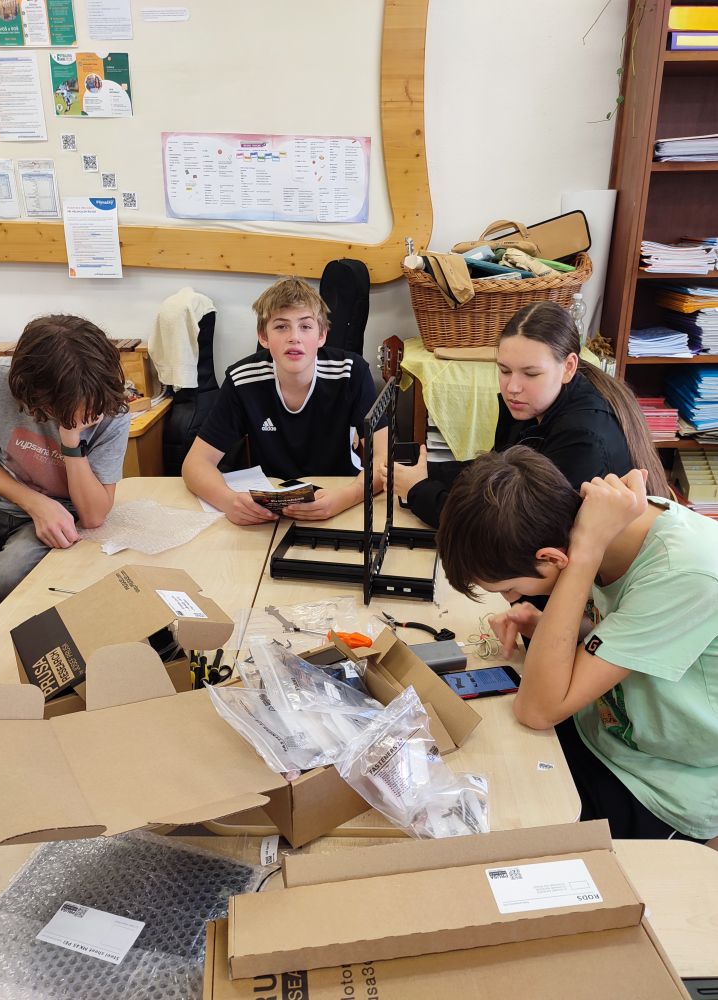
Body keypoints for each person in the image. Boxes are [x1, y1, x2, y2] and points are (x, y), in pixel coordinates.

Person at [437, 445, 718, 842]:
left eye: (509, 588)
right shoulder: (602, 529)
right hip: (601, 731)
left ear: (553, 558)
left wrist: (585, 555)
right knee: (472, 775)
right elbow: (628, 633)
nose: (511, 598)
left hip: (662, 782)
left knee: (505, 834)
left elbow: (538, 711)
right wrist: (554, 626)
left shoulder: (678, 572)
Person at [384, 301, 669, 528]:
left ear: (569, 367)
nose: (513, 387)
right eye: (504, 370)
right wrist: (426, 471)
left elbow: (509, 530)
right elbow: (495, 472)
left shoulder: (583, 438)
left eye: (531, 374)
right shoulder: (535, 404)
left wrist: (419, 491)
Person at [182, 276, 387, 525]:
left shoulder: (352, 372)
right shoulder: (241, 379)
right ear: (263, 336)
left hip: (340, 497)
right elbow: (195, 464)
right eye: (281, 327)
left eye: (306, 326)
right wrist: (228, 501)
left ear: (322, 335)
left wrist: (346, 497)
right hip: (269, 512)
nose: (294, 337)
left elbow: (385, 460)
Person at [0, 315, 130, 608]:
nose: (80, 411)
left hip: (62, 512)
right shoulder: (0, 378)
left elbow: (93, 516)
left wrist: (71, 437)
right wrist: (34, 503)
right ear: (29, 389)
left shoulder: (111, 412)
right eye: (60, 407)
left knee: (3, 583)